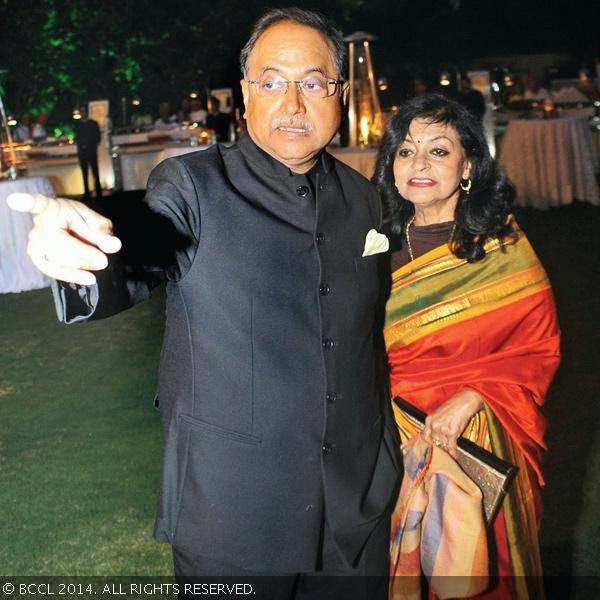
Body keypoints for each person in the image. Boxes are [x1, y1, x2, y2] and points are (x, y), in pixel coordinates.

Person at [8, 8, 400, 599]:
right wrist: (85, 252)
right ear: (245, 94)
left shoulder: (364, 199)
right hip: (236, 512)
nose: (293, 102)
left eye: (314, 82)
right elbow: (141, 245)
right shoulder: (192, 185)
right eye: (272, 82)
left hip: (356, 509)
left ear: (339, 93)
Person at [373, 93, 560, 599]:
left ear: (468, 165)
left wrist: (475, 395)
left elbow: (536, 348)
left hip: (479, 438)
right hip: (389, 439)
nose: (419, 164)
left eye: (438, 151)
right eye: (406, 151)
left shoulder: (500, 247)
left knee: (478, 572)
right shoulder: (372, 244)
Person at [73, 107, 102, 200]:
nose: (82, 113)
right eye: (81, 112)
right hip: (82, 152)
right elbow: (77, 137)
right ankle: (87, 192)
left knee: (95, 172)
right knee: (84, 173)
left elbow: (98, 137)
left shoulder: (93, 123)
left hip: (91, 151)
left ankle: (98, 191)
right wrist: (82, 145)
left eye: (83, 111)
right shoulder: (77, 125)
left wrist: (91, 146)